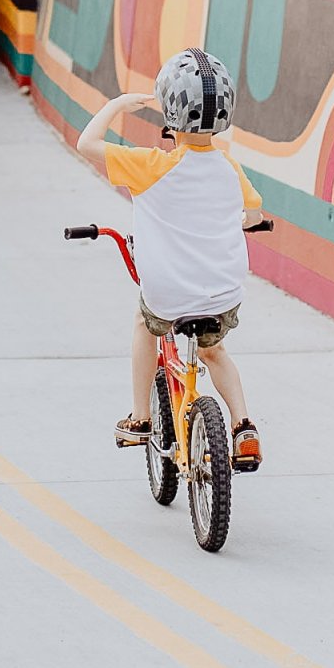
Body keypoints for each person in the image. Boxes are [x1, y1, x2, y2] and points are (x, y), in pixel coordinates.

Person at [76, 46, 264, 469]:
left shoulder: (150, 165)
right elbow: (253, 215)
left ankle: (141, 418)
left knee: (144, 324)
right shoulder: (229, 168)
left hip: (169, 294)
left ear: (171, 112)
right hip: (224, 293)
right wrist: (242, 220)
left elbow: (87, 144)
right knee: (215, 352)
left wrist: (117, 104)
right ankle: (243, 426)